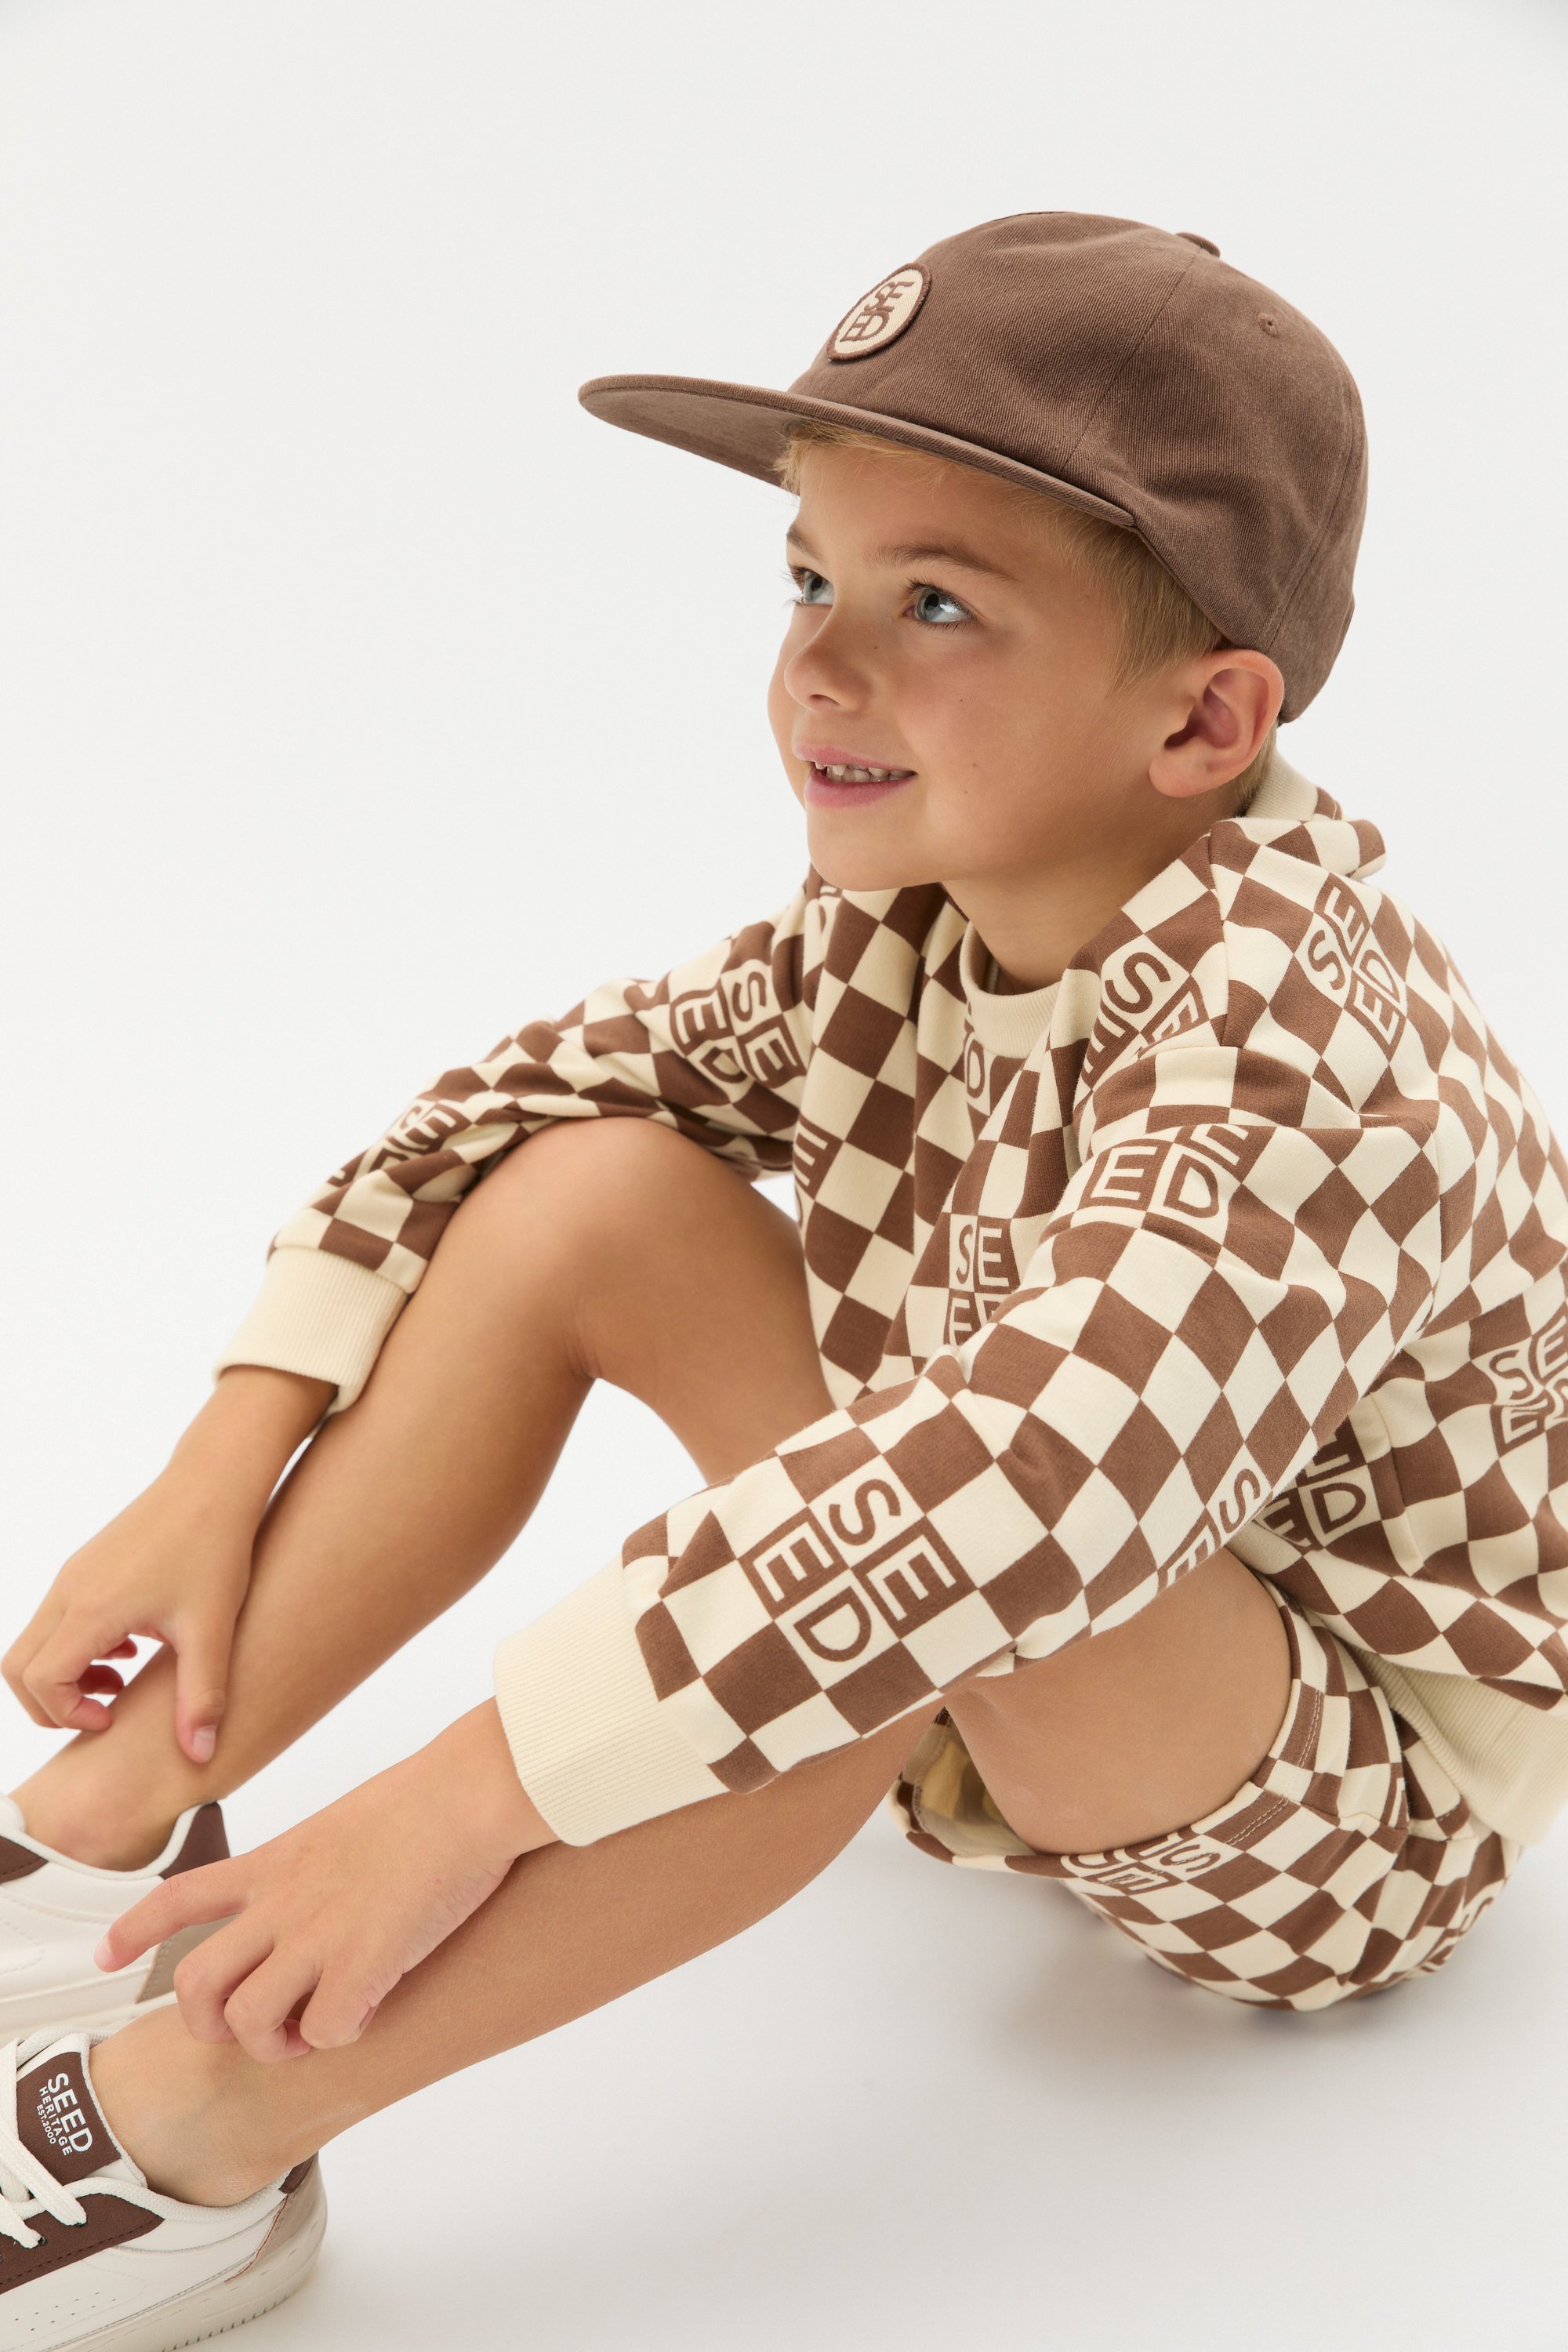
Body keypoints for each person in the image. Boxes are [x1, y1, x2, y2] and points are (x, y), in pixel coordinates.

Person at [3, 211, 1566, 2347]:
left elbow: (1010, 1497)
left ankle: (188, 2140)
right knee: (594, 1195)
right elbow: (519, 1100)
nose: (824, 668)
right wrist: (222, 1451)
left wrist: (461, 1796)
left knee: (863, 1597)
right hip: (1010, 1557)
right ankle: (96, 1843)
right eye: (811, 580)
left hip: (1325, 1816)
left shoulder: (1303, 1061)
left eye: (939, 604)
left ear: (1205, 720)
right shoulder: (924, 912)